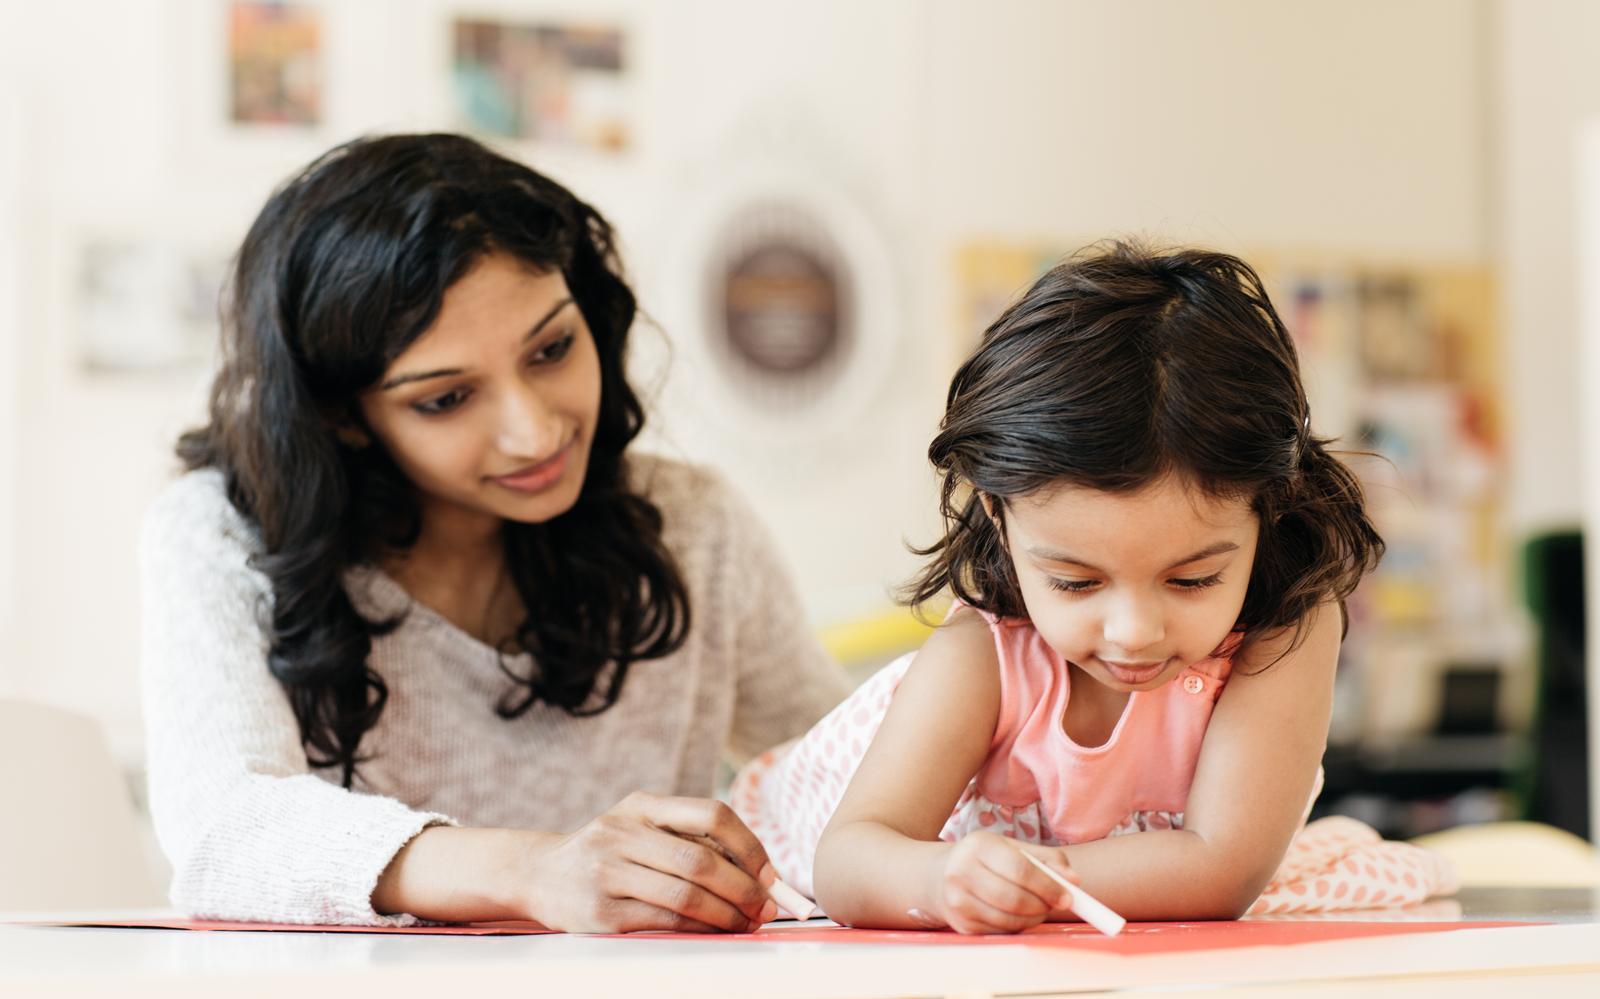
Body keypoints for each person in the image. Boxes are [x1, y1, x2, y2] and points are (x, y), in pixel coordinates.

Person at [140, 133, 851, 931]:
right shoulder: (223, 531)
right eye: (445, 398)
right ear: (343, 416)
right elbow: (222, 830)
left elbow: (852, 778)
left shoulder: (693, 524)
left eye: (551, 348)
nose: (534, 430)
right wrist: (534, 870)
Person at [731, 242, 1455, 933]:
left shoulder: (1290, 621)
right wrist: (940, 879)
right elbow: (849, 858)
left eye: (1194, 577)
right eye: (1075, 582)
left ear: (1270, 507)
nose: (1134, 629)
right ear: (996, 510)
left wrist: (1042, 877)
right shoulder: (983, 653)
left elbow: (1220, 865)